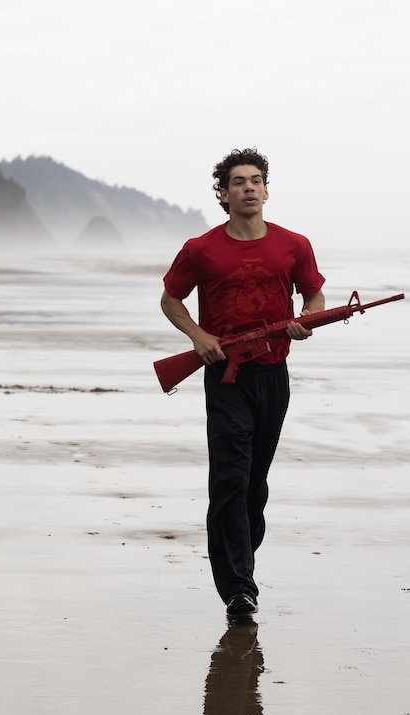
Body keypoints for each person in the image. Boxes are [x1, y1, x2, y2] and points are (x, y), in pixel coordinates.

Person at [159, 148, 325, 620]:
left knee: (254, 483)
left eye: (256, 181)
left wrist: (306, 320)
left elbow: (314, 295)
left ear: (266, 191)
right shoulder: (201, 249)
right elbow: (170, 299)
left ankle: (240, 552)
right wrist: (198, 336)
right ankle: (238, 589)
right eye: (238, 182)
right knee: (230, 476)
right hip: (225, 375)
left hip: (273, 375)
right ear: (223, 194)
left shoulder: (294, 244)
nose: (248, 188)